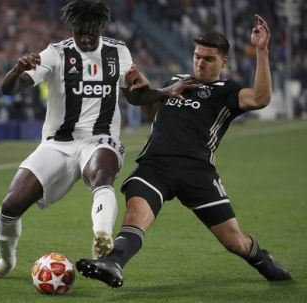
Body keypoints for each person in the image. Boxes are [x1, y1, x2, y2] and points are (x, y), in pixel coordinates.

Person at [0, 0, 187, 280]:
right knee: (11, 205)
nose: (85, 38)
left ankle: (102, 237)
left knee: (102, 173)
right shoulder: (56, 53)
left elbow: (134, 96)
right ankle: (5, 261)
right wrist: (16, 70)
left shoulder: (118, 52)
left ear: (100, 28)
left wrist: (164, 91)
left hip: (101, 138)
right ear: (71, 28)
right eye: (79, 32)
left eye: (91, 32)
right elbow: (10, 89)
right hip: (57, 143)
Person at [76, 15, 292, 287]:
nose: (200, 62)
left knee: (234, 242)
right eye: (197, 56)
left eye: (208, 59)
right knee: (135, 216)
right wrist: (147, 90)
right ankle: (113, 263)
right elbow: (153, 110)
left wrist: (261, 50)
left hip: (197, 172)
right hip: (155, 166)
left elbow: (261, 98)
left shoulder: (228, 91)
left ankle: (263, 259)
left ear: (223, 62)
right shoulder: (175, 80)